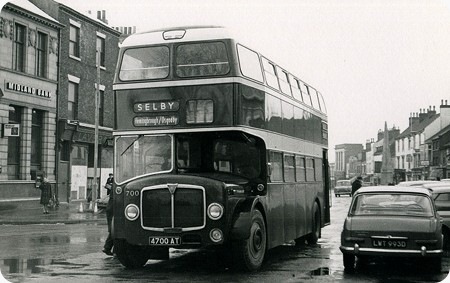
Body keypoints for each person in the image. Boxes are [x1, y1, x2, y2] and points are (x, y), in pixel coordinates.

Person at [103, 175, 114, 256]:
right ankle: (107, 248)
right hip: (113, 209)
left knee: (113, 230)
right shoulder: (117, 186)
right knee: (114, 230)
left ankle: (109, 248)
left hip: (110, 209)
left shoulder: (114, 185)